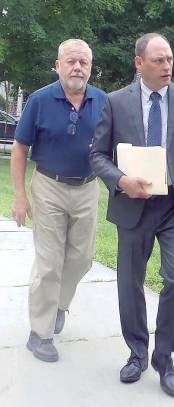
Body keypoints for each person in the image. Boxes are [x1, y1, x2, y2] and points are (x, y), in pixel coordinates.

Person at [90, 33, 174, 397]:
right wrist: (121, 181)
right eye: (158, 60)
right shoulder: (115, 103)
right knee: (129, 283)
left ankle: (164, 358)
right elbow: (97, 155)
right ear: (139, 63)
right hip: (133, 206)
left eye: (170, 60)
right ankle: (136, 353)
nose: (167, 67)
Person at [11, 39, 107, 362]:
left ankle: (59, 305)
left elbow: (116, 146)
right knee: (49, 261)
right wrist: (20, 196)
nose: (78, 67)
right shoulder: (39, 100)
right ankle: (40, 333)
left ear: (90, 69)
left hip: (87, 188)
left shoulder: (103, 102)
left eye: (84, 63)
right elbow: (20, 148)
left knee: (82, 259)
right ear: (58, 65)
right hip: (48, 187)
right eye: (71, 61)